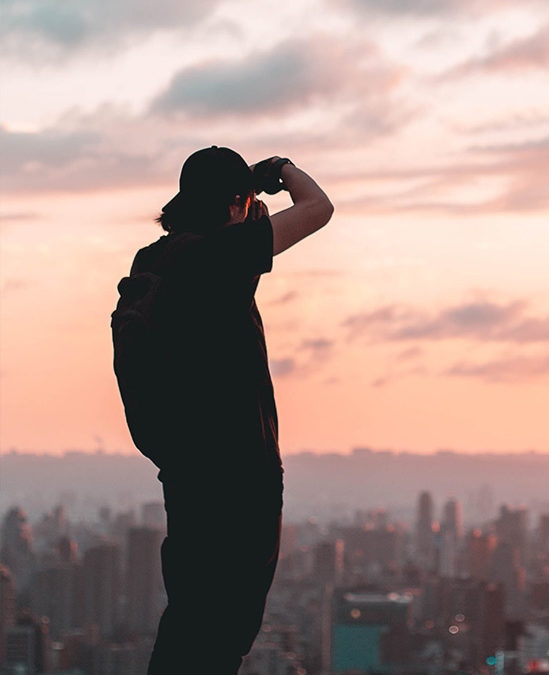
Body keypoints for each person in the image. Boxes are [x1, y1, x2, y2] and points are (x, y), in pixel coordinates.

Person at [115, 146, 333, 673]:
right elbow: (318, 207)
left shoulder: (155, 260)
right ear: (235, 204)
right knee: (224, 634)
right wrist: (280, 169)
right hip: (241, 481)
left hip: (187, 477)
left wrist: (247, 199)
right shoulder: (221, 258)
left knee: (190, 619)